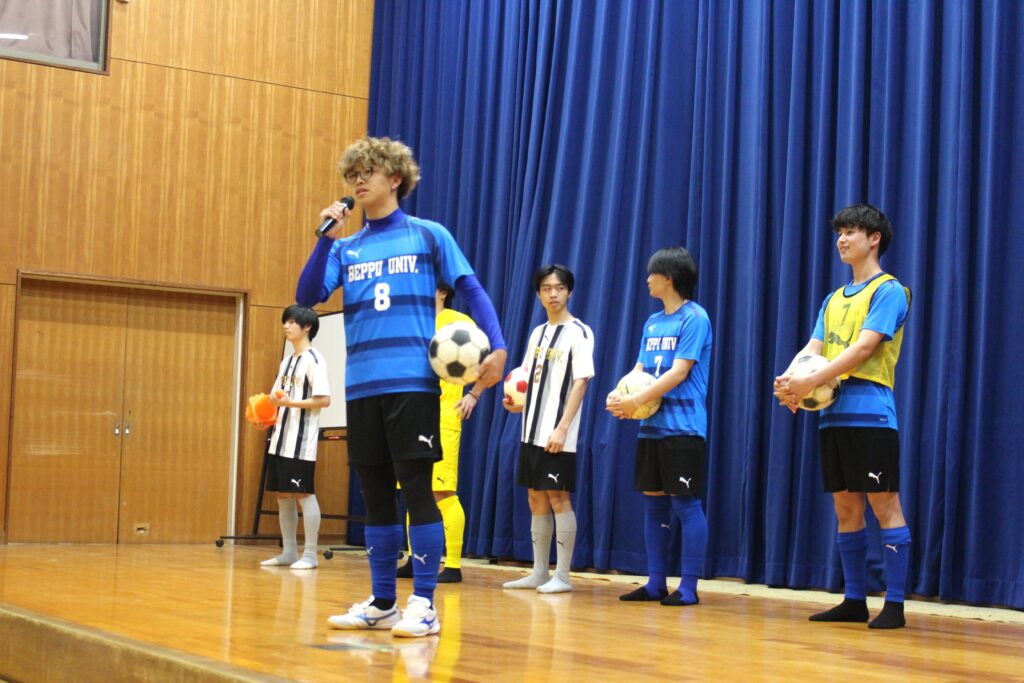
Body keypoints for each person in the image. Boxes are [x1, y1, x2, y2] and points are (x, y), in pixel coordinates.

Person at [295, 136, 507, 638]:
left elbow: (472, 288)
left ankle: (425, 604)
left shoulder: (428, 235)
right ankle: (383, 601)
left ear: (395, 178)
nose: (358, 182)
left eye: (367, 173)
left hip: (412, 384)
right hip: (362, 385)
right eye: (352, 175)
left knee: (417, 489)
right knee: (375, 495)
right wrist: (323, 239)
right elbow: (306, 296)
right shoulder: (345, 247)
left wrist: (498, 347)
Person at [774, 204, 912, 630]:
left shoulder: (890, 290)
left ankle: (894, 605)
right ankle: (854, 599)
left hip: (871, 415)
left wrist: (810, 382)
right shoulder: (833, 299)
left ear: (874, 239)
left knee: (884, 504)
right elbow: (812, 348)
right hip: (833, 416)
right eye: (839, 233)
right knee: (845, 507)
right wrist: (790, 381)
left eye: (851, 231)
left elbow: (863, 348)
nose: (842, 239)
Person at [607, 247, 711, 607]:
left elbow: (679, 371)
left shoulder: (695, 318)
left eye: (653, 273)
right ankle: (655, 583)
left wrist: (636, 400)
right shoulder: (652, 322)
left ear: (669, 277)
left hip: (684, 428)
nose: (648, 279)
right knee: (653, 504)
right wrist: (620, 395)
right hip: (651, 426)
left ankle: (689, 587)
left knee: (686, 504)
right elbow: (639, 369)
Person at [502, 264, 594, 594]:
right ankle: (540, 571)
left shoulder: (579, 332)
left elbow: (581, 382)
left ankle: (563, 576)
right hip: (531, 430)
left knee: (558, 497)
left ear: (569, 291)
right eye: (546, 288)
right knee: (535, 496)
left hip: (558, 434)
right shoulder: (537, 333)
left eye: (559, 288)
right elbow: (528, 378)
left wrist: (562, 427)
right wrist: (517, 403)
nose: (553, 294)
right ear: (539, 293)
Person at [396, 281, 483, 584]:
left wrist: (474, 394)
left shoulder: (458, 322)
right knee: (413, 489)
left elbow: (486, 360)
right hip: (410, 416)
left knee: (442, 492)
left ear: (443, 291)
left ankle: (454, 565)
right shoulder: (410, 321)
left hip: (443, 416)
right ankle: (414, 559)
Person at [260, 305, 331, 570]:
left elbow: (324, 400)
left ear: (307, 327)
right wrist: (264, 415)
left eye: (291, 322)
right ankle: (289, 552)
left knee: (303, 493)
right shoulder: (287, 361)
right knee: (283, 495)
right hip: (281, 438)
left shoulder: (314, 359)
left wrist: (290, 404)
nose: (286, 326)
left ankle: (310, 555)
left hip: (300, 442)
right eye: (285, 321)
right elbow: (276, 398)